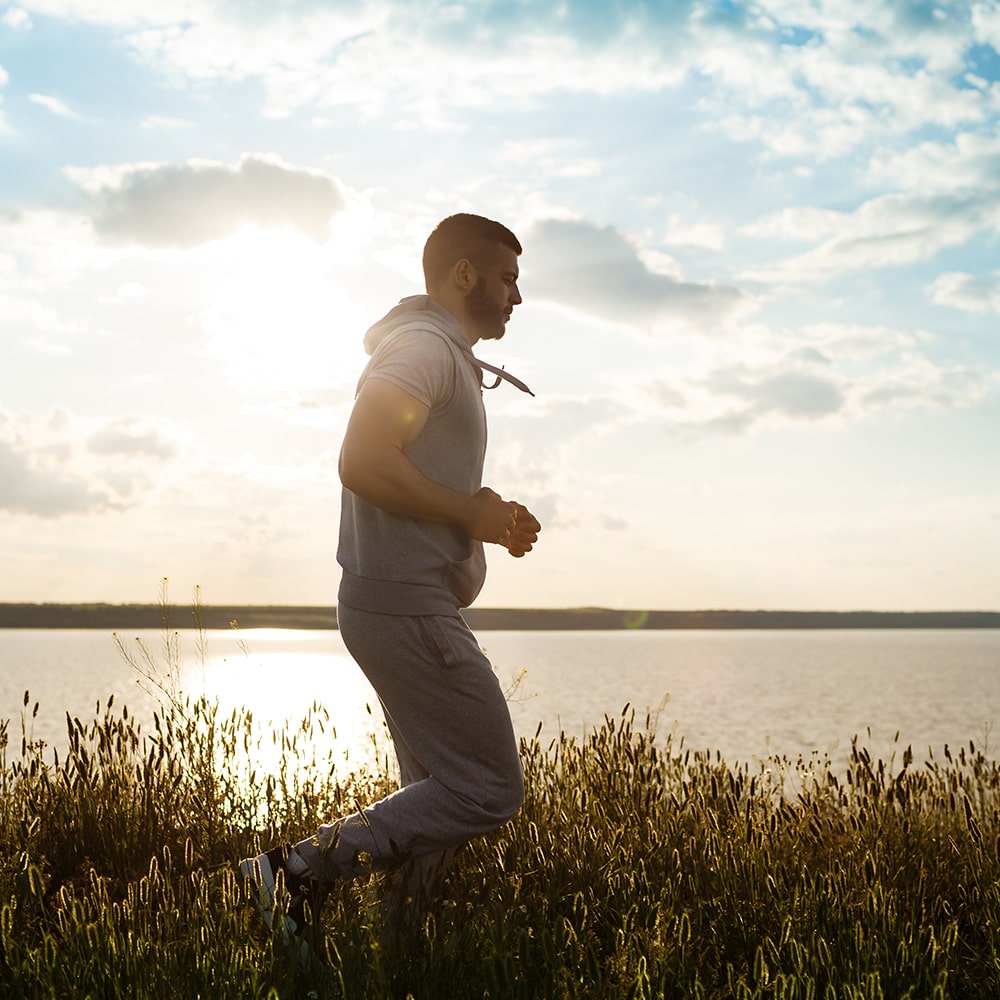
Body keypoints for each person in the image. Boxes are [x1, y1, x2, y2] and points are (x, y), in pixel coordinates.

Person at [240, 213, 541, 947]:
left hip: (399, 600)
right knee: (490, 787)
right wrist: (468, 515)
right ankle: (288, 874)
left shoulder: (438, 356)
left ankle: (397, 951)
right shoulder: (423, 350)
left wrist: (488, 518)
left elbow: (408, 473)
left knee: (436, 795)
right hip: (405, 607)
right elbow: (364, 460)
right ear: (463, 274)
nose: (517, 297)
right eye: (507, 278)